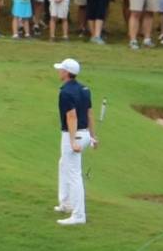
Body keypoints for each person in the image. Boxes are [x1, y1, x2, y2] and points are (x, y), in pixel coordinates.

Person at [53, 58, 95, 227]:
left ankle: (78, 215)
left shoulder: (65, 92)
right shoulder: (85, 89)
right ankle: (66, 203)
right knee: (64, 164)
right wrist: (93, 136)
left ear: (66, 73)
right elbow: (89, 114)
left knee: (74, 174)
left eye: (61, 69)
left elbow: (72, 117)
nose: (59, 71)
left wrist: (72, 141)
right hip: (84, 134)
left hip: (74, 135)